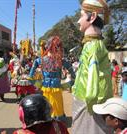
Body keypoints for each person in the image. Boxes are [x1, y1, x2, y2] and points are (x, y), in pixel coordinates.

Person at [71, 0, 113, 133]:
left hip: (88, 104)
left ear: (92, 17)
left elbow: (92, 81)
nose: (78, 21)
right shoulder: (97, 45)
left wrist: (89, 103)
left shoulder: (92, 46)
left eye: (82, 15)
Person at [28, 36, 75, 125]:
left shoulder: (39, 60)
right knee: (57, 111)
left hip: (45, 89)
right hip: (56, 90)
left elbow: (30, 78)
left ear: (47, 47)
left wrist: (39, 85)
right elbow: (74, 78)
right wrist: (64, 86)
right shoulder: (62, 61)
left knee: (47, 108)